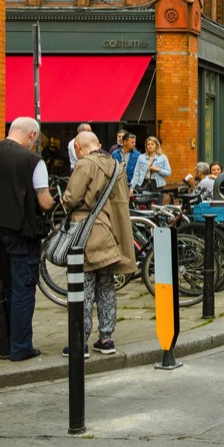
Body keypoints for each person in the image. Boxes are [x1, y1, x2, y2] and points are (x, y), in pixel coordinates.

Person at [0, 116, 54, 362]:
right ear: (32, 135)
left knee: (0, 288)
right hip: (21, 233)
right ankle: (20, 347)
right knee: (23, 289)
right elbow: (44, 201)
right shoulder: (33, 161)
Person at [60, 131, 135, 357]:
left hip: (87, 231)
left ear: (78, 148)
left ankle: (79, 341)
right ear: (98, 144)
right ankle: (106, 338)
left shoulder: (84, 165)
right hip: (110, 232)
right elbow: (120, 202)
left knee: (83, 285)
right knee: (106, 285)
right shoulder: (116, 165)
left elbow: (71, 198)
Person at [130, 136, 171, 202]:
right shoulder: (141, 157)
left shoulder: (163, 157)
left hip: (157, 185)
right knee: (143, 205)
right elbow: (136, 173)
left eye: (152, 144)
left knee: (157, 206)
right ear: (146, 146)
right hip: (144, 184)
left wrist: (158, 169)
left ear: (156, 146)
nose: (150, 146)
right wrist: (132, 187)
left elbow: (168, 172)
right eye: (148, 144)